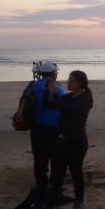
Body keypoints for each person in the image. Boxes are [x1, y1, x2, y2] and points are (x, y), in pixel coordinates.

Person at [33, 70, 94, 209]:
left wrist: (54, 93)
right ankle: (49, 206)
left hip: (76, 142)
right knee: (57, 175)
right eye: (68, 79)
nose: (68, 82)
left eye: (71, 80)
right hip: (61, 141)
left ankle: (79, 200)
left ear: (80, 83)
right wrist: (47, 91)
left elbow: (65, 111)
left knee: (76, 172)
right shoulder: (69, 97)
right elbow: (47, 105)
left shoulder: (84, 99)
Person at [28, 61, 65, 189]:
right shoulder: (57, 88)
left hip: (36, 127)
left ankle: (41, 184)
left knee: (39, 158)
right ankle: (55, 185)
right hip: (53, 127)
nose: (56, 74)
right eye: (55, 72)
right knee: (56, 158)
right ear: (51, 74)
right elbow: (63, 107)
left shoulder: (32, 86)